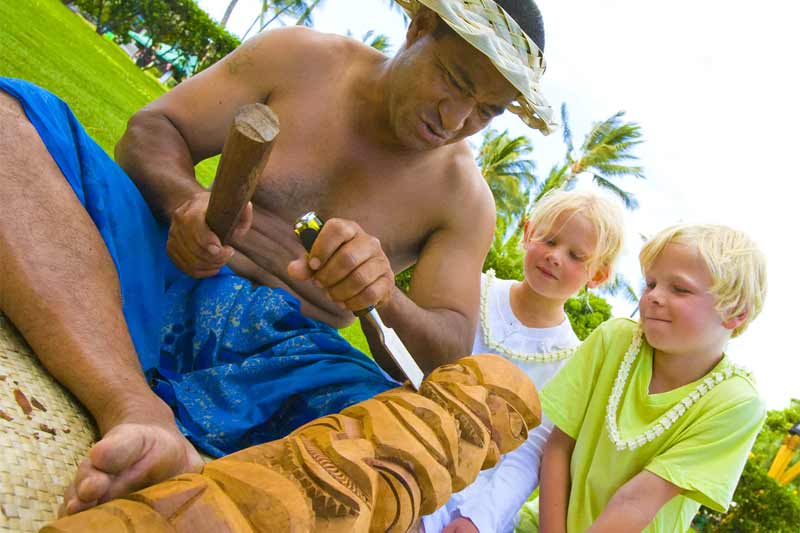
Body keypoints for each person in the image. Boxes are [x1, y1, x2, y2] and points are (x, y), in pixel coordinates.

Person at [0, 0, 556, 517]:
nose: (457, 117)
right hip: (163, 266)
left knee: (398, 432)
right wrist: (184, 202)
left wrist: (384, 297)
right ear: (418, 28)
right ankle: (136, 410)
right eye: (454, 80)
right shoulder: (303, 60)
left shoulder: (465, 200)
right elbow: (153, 130)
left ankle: (189, 461)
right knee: (10, 120)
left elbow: (448, 348)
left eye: (487, 110)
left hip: (278, 362)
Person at [538, 224, 767, 532]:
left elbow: (636, 501)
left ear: (735, 312)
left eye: (680, 289)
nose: (654, 297)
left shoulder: (736, 402)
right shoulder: (614, 340)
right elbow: (558, 447)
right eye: (651, 284)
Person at [422, 189, 625, 533]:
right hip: (408, 437)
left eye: (576, 255)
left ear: (598, 275)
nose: (555, 257)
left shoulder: (571, 360)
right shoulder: (473, 290)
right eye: (548, 240)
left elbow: (527, 452)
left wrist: (477, 520)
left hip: (474, 494)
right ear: (528, 232)